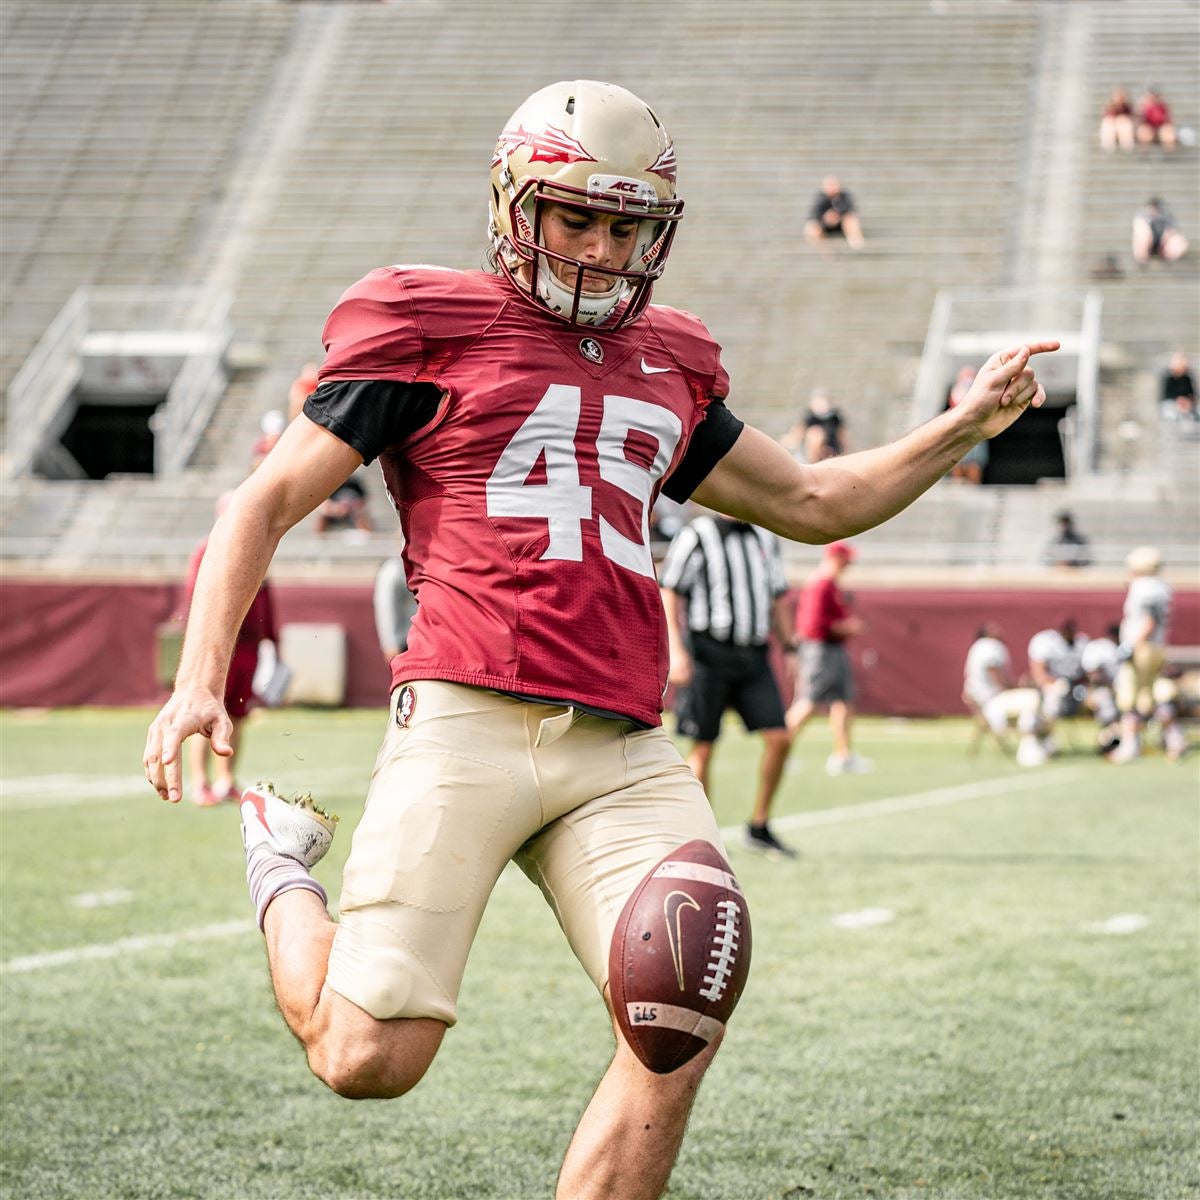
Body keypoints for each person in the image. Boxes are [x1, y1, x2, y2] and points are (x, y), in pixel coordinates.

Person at [142, 80, 1054, 1200]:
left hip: (622, 749)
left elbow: (817, 500)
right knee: (366, 1061)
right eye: (577, 216)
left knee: (682, 1009)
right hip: (466, 720)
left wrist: (961, 424)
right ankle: (281, 869)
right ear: (513, 205)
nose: (602, 249)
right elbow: (261, 503)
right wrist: (197, 686)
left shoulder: (667, 357)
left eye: (627, 226)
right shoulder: (424, 321)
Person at [660, 514, 797, 859]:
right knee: (703, 746)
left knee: (779, 737)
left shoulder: (765, 535)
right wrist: (675, 649)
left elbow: (778, 594)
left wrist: (791, 646)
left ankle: (759, 825)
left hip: (754, 654)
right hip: (709, 652)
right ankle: (704, 835)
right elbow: (670, 589)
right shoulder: (697, 534)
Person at [183, 492, 278, 806]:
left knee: (237, 715)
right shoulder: (206, 553)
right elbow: (197, 604)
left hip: (247, 646)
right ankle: (200, 782)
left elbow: (266, 604)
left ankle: (226, 780)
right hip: (220, 645)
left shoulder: (258, 553)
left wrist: (272, 641)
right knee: (204, 713)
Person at [786, 541, 873, 775]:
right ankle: (781, 750)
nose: (848, 565)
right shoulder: (820, 584)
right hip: (820, 649)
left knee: (843, 701)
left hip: (833, 649)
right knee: (809, 702)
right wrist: (846, 627)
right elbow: (813, 626)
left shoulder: (831, 585)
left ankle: (843, 755)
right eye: (845, 560)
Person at [1110, 546, 1186, 763]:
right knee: (1152, 695)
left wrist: (1131, 645)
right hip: (1156, 646)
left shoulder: (1144, 588)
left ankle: (1131, 745)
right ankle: (1174, 738)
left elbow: (1149, 620)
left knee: (1130, 695)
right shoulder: (1161, 587)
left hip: (1143, 647)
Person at [961, 624, 1046, 766]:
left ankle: (1037, 742)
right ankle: (1029, 744)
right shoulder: (989, 646)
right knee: (1032, 699)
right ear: (986, 633)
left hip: (986, 700)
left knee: (1031, 700)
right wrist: (1014, 687)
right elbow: (994, 673)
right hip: (992, 701)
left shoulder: (979, 647)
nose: (1000, 630)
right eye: (993, 628)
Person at [1026, 617, 1089, 752]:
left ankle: (1110, 741)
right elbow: (1039, 673)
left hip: (1079, 688)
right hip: (1054, 686)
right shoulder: (1046, 643)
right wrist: (1057, 683)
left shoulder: (1083, 643)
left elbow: (1090, 672)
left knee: (1103, 699)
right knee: (1053, 699)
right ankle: (1046, 736)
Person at [373, 541, 418, 665]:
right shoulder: (394, 568)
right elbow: (385, 607)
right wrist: (390, 643)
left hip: (419, 639)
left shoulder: (419, 565)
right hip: (404, 641)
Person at [947, 366, 987, 483]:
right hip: (959, 432)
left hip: (975, 431)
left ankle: (973, 485)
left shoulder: (979, 390)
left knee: (974, 463)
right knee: (957, 461)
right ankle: (957, 486)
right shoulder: (956, 391)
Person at [804, 176, 865, 250]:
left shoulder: (845, 196)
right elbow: (813, 214)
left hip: (842, 224)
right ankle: (825, 250)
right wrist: (825, 218)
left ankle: (856, 244)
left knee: (851, 220)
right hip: (824, 226)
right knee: (811, 227)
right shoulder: (820, 198)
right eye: (829, 185)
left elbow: (851, 210)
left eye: (833, 185)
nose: (831, 188)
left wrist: (837, 215)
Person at [314, 470, 373, 536]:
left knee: (361, 518)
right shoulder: (332, 485)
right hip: (335, 512)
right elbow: (324, 503)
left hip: (352, 513)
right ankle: (319, 539)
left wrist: (352, 507)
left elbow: (363, 500)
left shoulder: (355, 483)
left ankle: (366, 537)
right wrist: (336, 509)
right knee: (322, 518)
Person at [1132, 198, 1188, 265]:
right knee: (1142, 230)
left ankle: (1167, 257)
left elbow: (1171, 231)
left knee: (1181, 241)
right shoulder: (1141, 220)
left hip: (1162, 245)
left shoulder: (1165, 218)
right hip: (1146, 245)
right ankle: (1142, 258)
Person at [1161, 352, 1198, 423]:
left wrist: (1188, 401)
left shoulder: (1187, 378)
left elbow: (1191, 393)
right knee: (1170, 412)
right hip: (1172, 404)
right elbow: (1166, 395)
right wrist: (1178, 400)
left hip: (1187, 405)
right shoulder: (1168, 378)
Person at [1099, 87, 1135, 152]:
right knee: (1109, 124)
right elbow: (1108, 118)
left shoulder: (1127, 107)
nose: (1119, 98)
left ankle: (1126, 145)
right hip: (1113, 127)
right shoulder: (1110, 107)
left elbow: (1132, 117)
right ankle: (1108, 145)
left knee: (1124, 123)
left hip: (1122, 128)